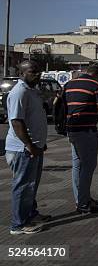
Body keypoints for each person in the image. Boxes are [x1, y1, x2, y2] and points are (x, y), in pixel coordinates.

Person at [4, 61, 50, 234]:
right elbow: (16, 121)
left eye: (38, 71)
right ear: (21, 73)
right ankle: (18, 224)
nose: (37, 74)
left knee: (31, 185)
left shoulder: (32, 90)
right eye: (32, 72)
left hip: (34, 147)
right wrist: (29, 145)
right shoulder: (19, 91)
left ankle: (31, 214)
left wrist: (39, 143)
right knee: (23, 186)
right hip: (22, 149)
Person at [64, 64, 98, 214]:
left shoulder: (69, 84)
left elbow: (64, 105)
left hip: (72, 129)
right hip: (87, 130)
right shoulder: (96, 84)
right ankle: (83, 203)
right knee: (88, 166)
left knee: (77, 165)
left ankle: (82, 198)